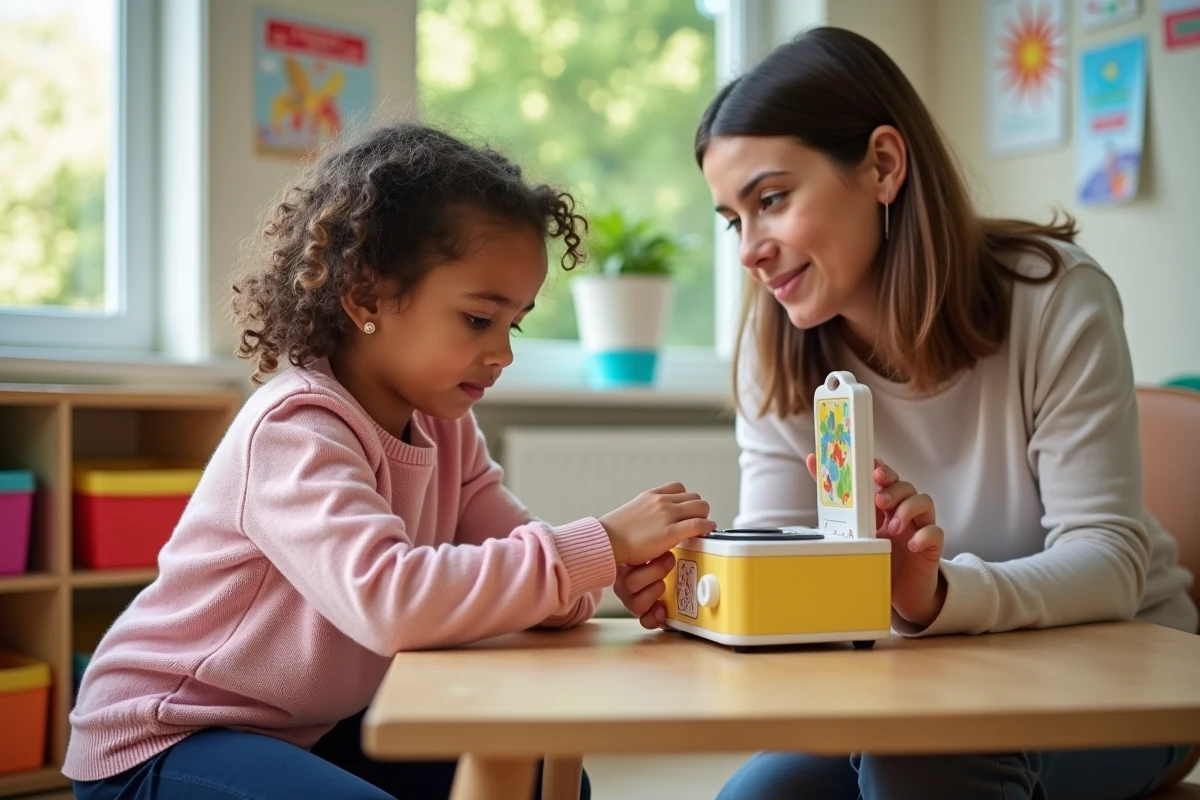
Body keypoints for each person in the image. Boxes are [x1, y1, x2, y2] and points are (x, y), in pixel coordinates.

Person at [65, 123, 716, 800]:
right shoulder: (296, 428)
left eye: (512, 324)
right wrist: (599, 544)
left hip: (306, 726)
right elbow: (393, 602)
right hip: (165, 736)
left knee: (545, 776)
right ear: (366, 296)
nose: (504, 354)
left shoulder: (446, 430)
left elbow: (540, 585)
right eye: (477, 319)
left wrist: (614, 567)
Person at [696, 27, 1197, 800]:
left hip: (1118, 674)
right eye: (734, 218)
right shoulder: (779, 351)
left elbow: (1111, 562)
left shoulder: (1055, 298)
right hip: (910, 686)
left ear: (883, 166)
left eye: (771, 200)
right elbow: (779, 563)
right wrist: (702, 580)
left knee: (926, 764)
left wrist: (930, 596)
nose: (749, 251)